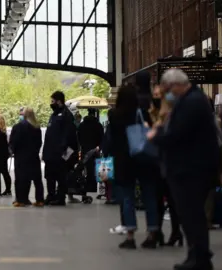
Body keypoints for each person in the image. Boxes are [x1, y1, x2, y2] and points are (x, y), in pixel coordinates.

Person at [148, 69, 218, 270]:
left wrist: (156, 136)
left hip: (191, 170)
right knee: (190, 215)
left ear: (176, 85)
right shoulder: (191, 100)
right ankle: (196, 254)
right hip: (190, 168)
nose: (168, 94)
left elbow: (177, 134)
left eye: (168, 89)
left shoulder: (191, 102)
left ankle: (199, 257)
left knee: (192, 215)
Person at [108, 83, 160, 250]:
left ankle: (130, 236)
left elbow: (112, 139)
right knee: (149, 196)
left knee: (127, 198)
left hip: (124, 161)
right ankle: (152, 233)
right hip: (144, 158)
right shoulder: (143, 113)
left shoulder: (114, 115)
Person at [149, 84, 182, 247]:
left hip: (168, 162)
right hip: (159, 163)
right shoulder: (155, 112)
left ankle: (172, 232)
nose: (156, 98)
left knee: (169, 199)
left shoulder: (169, 114)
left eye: (158, 95)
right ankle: (166, 232)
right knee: (162, 199)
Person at [42, 90, 78, 206]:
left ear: (59, 101)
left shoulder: (66, 116)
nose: (51, 103)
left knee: (60, 176)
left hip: (60, 154)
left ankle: (60, 197)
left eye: (52, 101)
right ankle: (51, 195)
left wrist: (64, 153)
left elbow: (69, 136)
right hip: (50, 153)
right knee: (49, 176)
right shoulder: (53, 115)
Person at [10, 107, 44, 207]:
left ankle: (21, 200)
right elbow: (39, 142)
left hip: (21, 156)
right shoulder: (37, 127)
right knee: (37, 179)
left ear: (24, 115)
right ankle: (40, 200)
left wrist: (13, 151)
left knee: (21, 179)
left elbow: (14, 142)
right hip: (33, 156)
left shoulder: (18, 126)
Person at [78, 108, 104, 194]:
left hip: (84, 149)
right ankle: (93, 186)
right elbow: (102, 138)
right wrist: (99, 147)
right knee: (94, 168)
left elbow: (78, 137)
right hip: (95, 149)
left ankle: (85, 185)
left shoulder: (82, 125)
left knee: (84, 167)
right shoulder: (98, 125)